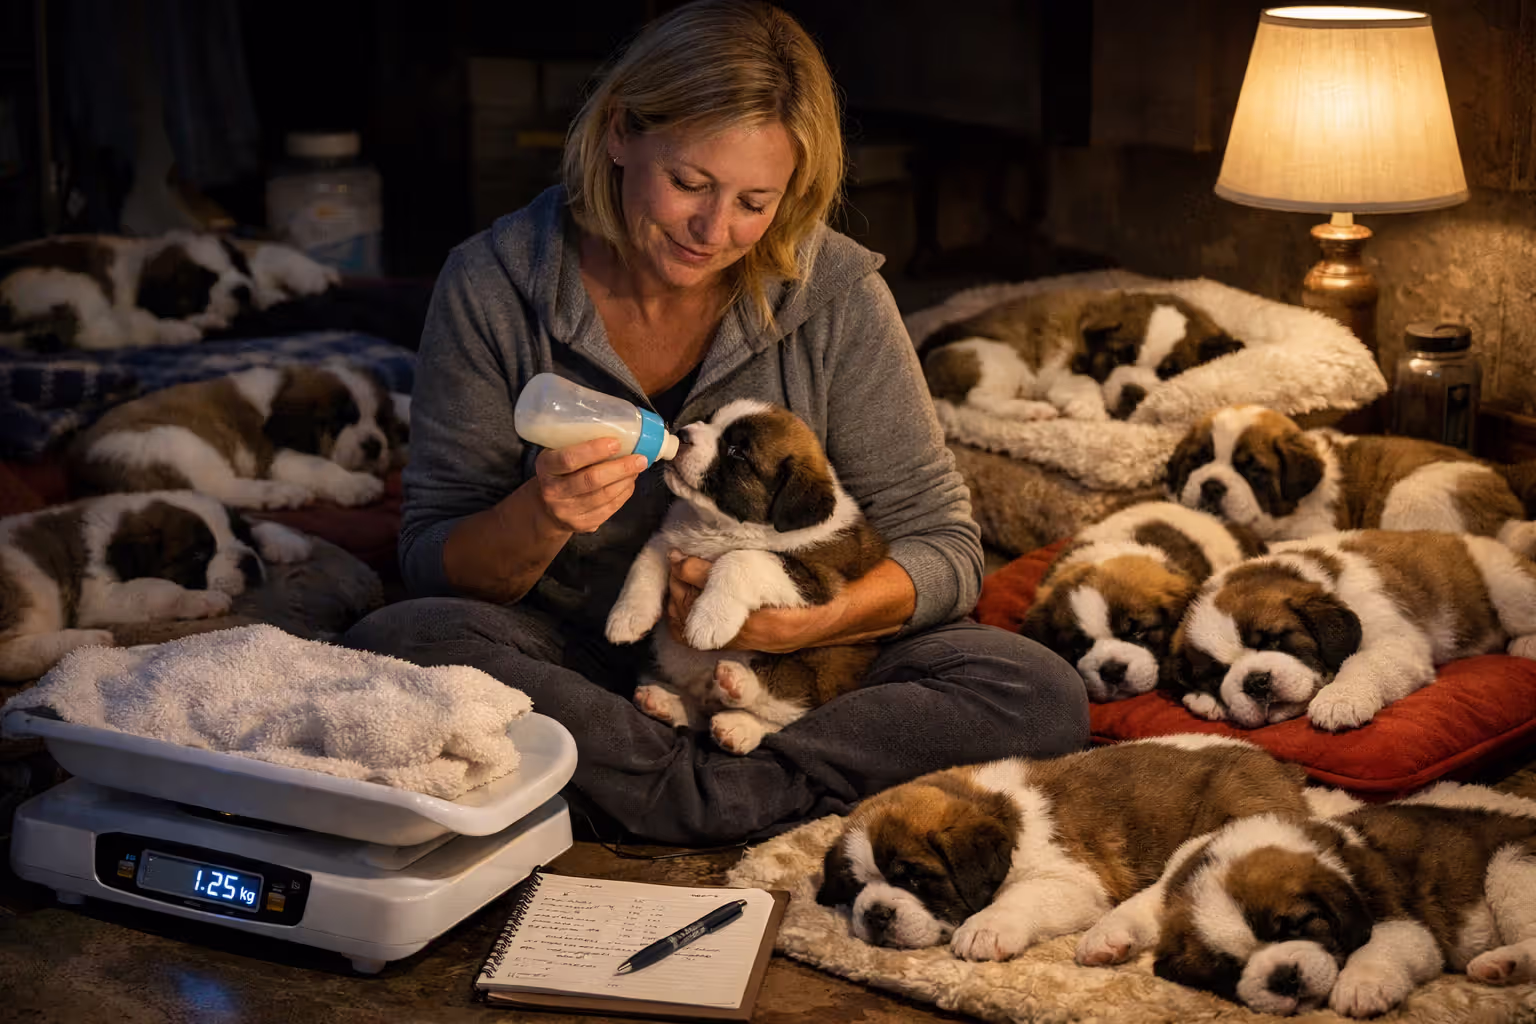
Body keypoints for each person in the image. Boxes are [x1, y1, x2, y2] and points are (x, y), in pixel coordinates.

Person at [343, 0, 1088, 845]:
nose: (713, 230)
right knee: (399, 642)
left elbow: (946, 545)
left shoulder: (836, 294)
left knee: (1035, 690)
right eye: (690, 183)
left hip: (790, 678)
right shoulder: (493, 285)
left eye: (754, 201)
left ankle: (664, 793)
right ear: (620, 132)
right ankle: (747, 793)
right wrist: (539, 517)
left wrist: (808, 624)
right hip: (579, 654)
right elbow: (431, 556)